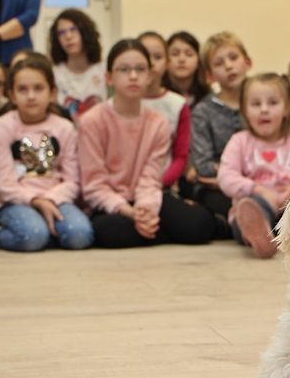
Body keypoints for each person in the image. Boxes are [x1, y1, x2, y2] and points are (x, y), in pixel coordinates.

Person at [79, 38, 214, 248]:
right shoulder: (92, 121)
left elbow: (151, 178)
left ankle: (150, 228)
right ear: (109, 78)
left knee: (199, 225)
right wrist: (129, 212)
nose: (133, 76)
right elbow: (94, 185)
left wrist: (145, 210)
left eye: (140, 69)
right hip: (111, 203)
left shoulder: (158, 122)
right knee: (108, 232)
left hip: (147, 197)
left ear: (150, 75)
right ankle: (158, 232)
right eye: (124, 69)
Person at [0, 56, 92, 252]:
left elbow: (72, 180)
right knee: (33, 236)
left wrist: (49, 199)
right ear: (12, 95)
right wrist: (35, 200)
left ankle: (46, 231)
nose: (31, 96)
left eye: (38, 88)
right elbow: (2, 184)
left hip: (56, 198)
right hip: (13, 200)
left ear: (52, 93)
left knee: (80, 235)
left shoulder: (64, 128)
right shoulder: (2, 126)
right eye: (22, 89)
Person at [218, 73, 290, 259]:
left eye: (272, 103)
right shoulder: (239, 141)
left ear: (286, 109)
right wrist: (257, 188)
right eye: (256, 104)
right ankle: (259, 233)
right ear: (244, 110)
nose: (264, 110)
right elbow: (226, 176)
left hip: (289, 205)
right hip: (256, 202)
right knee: (249, 209)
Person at [190, 31, 253, 235]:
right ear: (209, 75)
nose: (228, 65)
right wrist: (233, 176)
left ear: (248, 62)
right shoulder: (203, 111)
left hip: (263, 178)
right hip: (218, 186)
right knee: (238, 204)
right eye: (219, 63)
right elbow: (203, 164)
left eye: (233, 58)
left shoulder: (262, 102)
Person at [139, 31, 190, 188]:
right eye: (145, 56)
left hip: (163, 185)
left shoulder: (178, 104)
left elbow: (181, 156)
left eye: (158, 57)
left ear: (167, 63)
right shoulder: (123, 102)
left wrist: (160, 183)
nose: (151, 63)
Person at [48, 9, 105, 120]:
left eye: (73, 30)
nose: (68, 36)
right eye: (61, 33)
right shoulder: (53, 74)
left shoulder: (104, 70)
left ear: (86, 33)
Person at [163, 31, 209, 107]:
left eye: (189, 54)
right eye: (175, 54)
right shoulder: (158, 95)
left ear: (198, 61)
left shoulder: (207, 97)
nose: (182, 59)